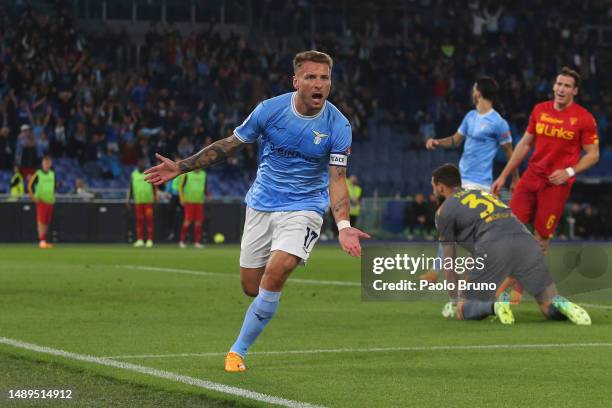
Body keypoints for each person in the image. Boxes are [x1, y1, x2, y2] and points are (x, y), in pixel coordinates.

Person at [144, 50, 370, 372]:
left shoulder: (338, 125)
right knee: (252, 287)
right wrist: (182, 167)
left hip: (305, 207)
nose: (319, 84)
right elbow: (228, 145)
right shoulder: (269, 110)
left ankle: (237, 351)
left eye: (325, 78)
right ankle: (271, 291)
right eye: (311, 77)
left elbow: (337, 179)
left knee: (276, 272)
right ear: (296, 81)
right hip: (262, 203)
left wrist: (344, 224)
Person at [432, 163, 590, 325]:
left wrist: (454, 301)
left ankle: (494, 307)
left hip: (493, 244)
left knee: (462, 309)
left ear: (440, 186)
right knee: (547, 305)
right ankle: (562, 304)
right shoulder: (482, 194)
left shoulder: (443, 212)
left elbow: (449, 263)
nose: (433, 190)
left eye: (433, 186)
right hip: (526, 241)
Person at [492, 67, 599, 254]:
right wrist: (503, 176)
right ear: (553, 86)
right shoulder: (540, 110)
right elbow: (525, 144)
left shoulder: (584, 118)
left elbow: (593, 154)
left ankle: (527, 281)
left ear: (575, 91)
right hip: (531, 176)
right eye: (559, 84)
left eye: (567, 86)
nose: (561, 89)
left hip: (556, 184)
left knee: (541, 239)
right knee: (508, 227)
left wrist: (569, 172)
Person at [423, 77, 517, 283]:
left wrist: (514, 179)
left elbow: (511, 153)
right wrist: (437, 141)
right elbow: (456, 140)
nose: (472, 91)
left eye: (474, 88)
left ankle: (480, 270)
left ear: (478, 93)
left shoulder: (499, 123)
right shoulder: (470, 117)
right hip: (461, 180)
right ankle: (440, 271)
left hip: (480, 184)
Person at [127, 158, 157, 248]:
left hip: (148, 201)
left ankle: (149, 240)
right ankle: (140, 239)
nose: (141, 165)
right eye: (140, 163)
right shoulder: (134, 174)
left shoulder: (149, 173)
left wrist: (156, 197)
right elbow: (131, 187)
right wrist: (128, 199)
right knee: (139, 221)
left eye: (143, 163)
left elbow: (154, 186)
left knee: (149, 221)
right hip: (138, 201)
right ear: (137, 164)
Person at [27, 155, 56, 249]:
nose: (47, 165)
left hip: (50, 201)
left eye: (48, 163)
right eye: (45, 163)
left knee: (47, 222)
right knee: (41, 221)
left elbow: (53, 186)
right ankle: (41, 241)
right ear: (42, 164)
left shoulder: (52, 174)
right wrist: (33, 197)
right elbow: (30, 186)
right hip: (41, 200)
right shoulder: (38, 174)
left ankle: (44, 240)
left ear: (50, 164)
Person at [178, 168, 207, 248]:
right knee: (187, 221)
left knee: (198, 222)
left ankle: (197, 242)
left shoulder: (203, 174)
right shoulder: (187, 174)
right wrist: (181, 198)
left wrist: (206, 194)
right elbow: (180, 186)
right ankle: (182, 241)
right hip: (189, 201)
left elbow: (204, 186)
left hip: (199, 201)